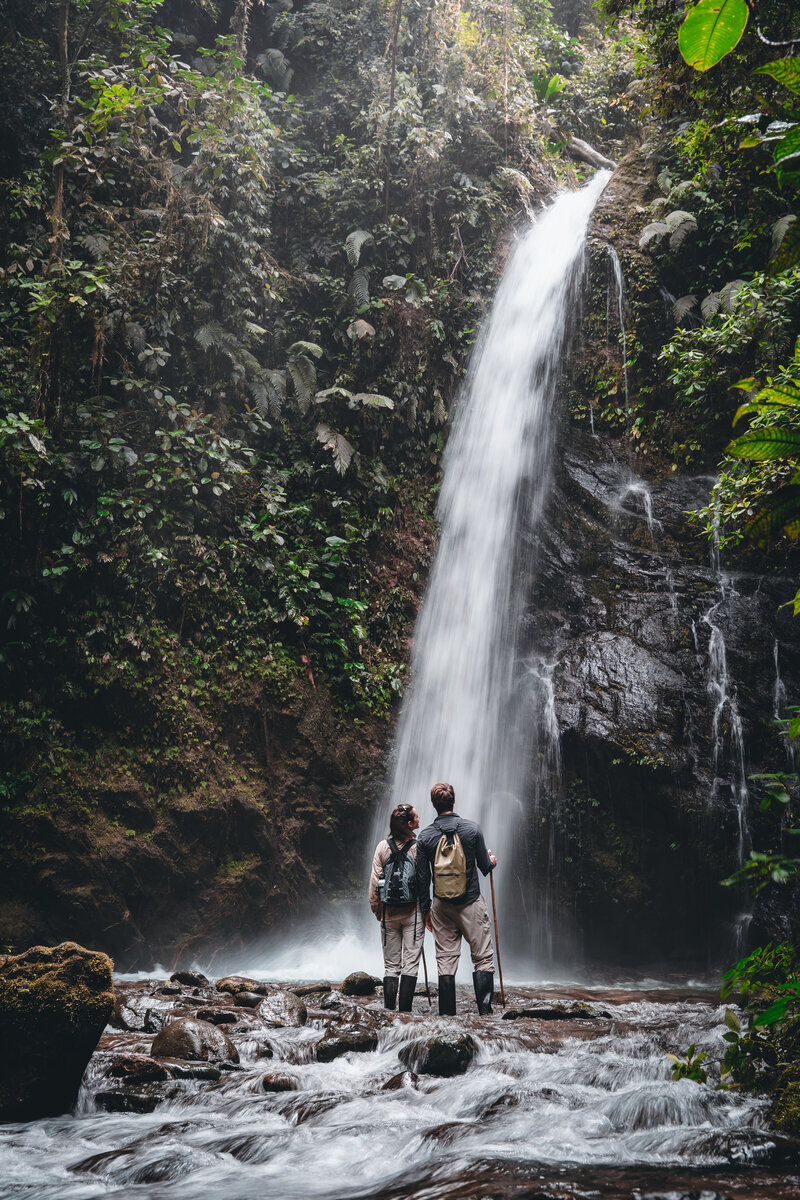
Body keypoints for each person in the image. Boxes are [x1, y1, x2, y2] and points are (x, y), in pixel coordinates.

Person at [415, 781, 497, 1016]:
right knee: (482, 957)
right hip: (471, 902)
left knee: (445, 960)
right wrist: (492, 862)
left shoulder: (425, 837)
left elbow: (423, 879)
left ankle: (447, 1017)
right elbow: (484, 866)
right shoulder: (472, 829)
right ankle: (485, 1013)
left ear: (433, 805)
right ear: (454, 801)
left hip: (441, 906)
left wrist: (426, 910)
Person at [369, 803, 425, 1012]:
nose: (420, 818)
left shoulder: (382, 847)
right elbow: (423, 881)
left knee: (391, 966)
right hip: (414, 914)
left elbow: (374, 884)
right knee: (410, 965)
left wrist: (378, 911)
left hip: (388, 914)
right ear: (410, 824)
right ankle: (405, 1013)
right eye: (416, 816)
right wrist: (426, 911)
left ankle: (389, 1011)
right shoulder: (419, 847)